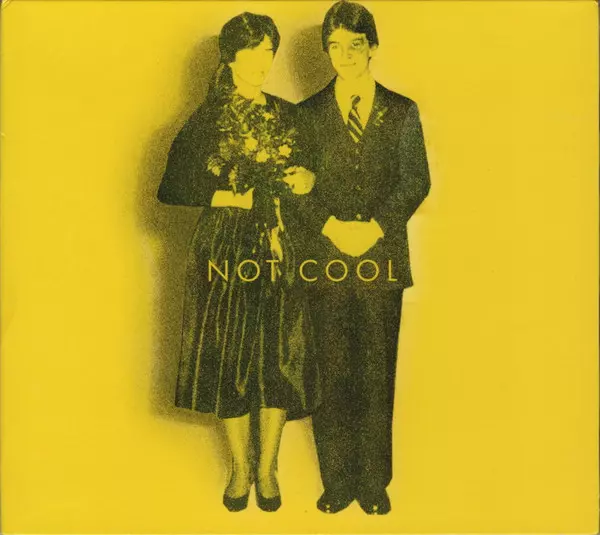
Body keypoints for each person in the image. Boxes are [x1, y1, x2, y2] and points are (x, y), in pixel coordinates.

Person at [157, 12, 318, 513]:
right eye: (250, 51)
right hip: (225, 248)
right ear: (229, 58)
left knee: (278, 356)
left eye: (268, 51)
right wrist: (229, 197)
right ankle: (239, 468)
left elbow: (313, 177)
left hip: (279, 245)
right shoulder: (208, 118)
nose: (261, 62)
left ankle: (267, 468)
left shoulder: (289, 114)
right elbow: (171, 187)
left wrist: (308, 181)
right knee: (231, 357)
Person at [296, 0, 431, 515]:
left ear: (372, 47)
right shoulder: (307, 114)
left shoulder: (402, 110)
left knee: (375, 374)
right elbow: (296, 187)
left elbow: (415, 181)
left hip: (382, 261)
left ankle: (373, 483)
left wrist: (374, 229)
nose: (345, 55)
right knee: (330, 373)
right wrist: (332, 228)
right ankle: (336, 482)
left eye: (355, 45)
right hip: (324, 260)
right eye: (334, 46)